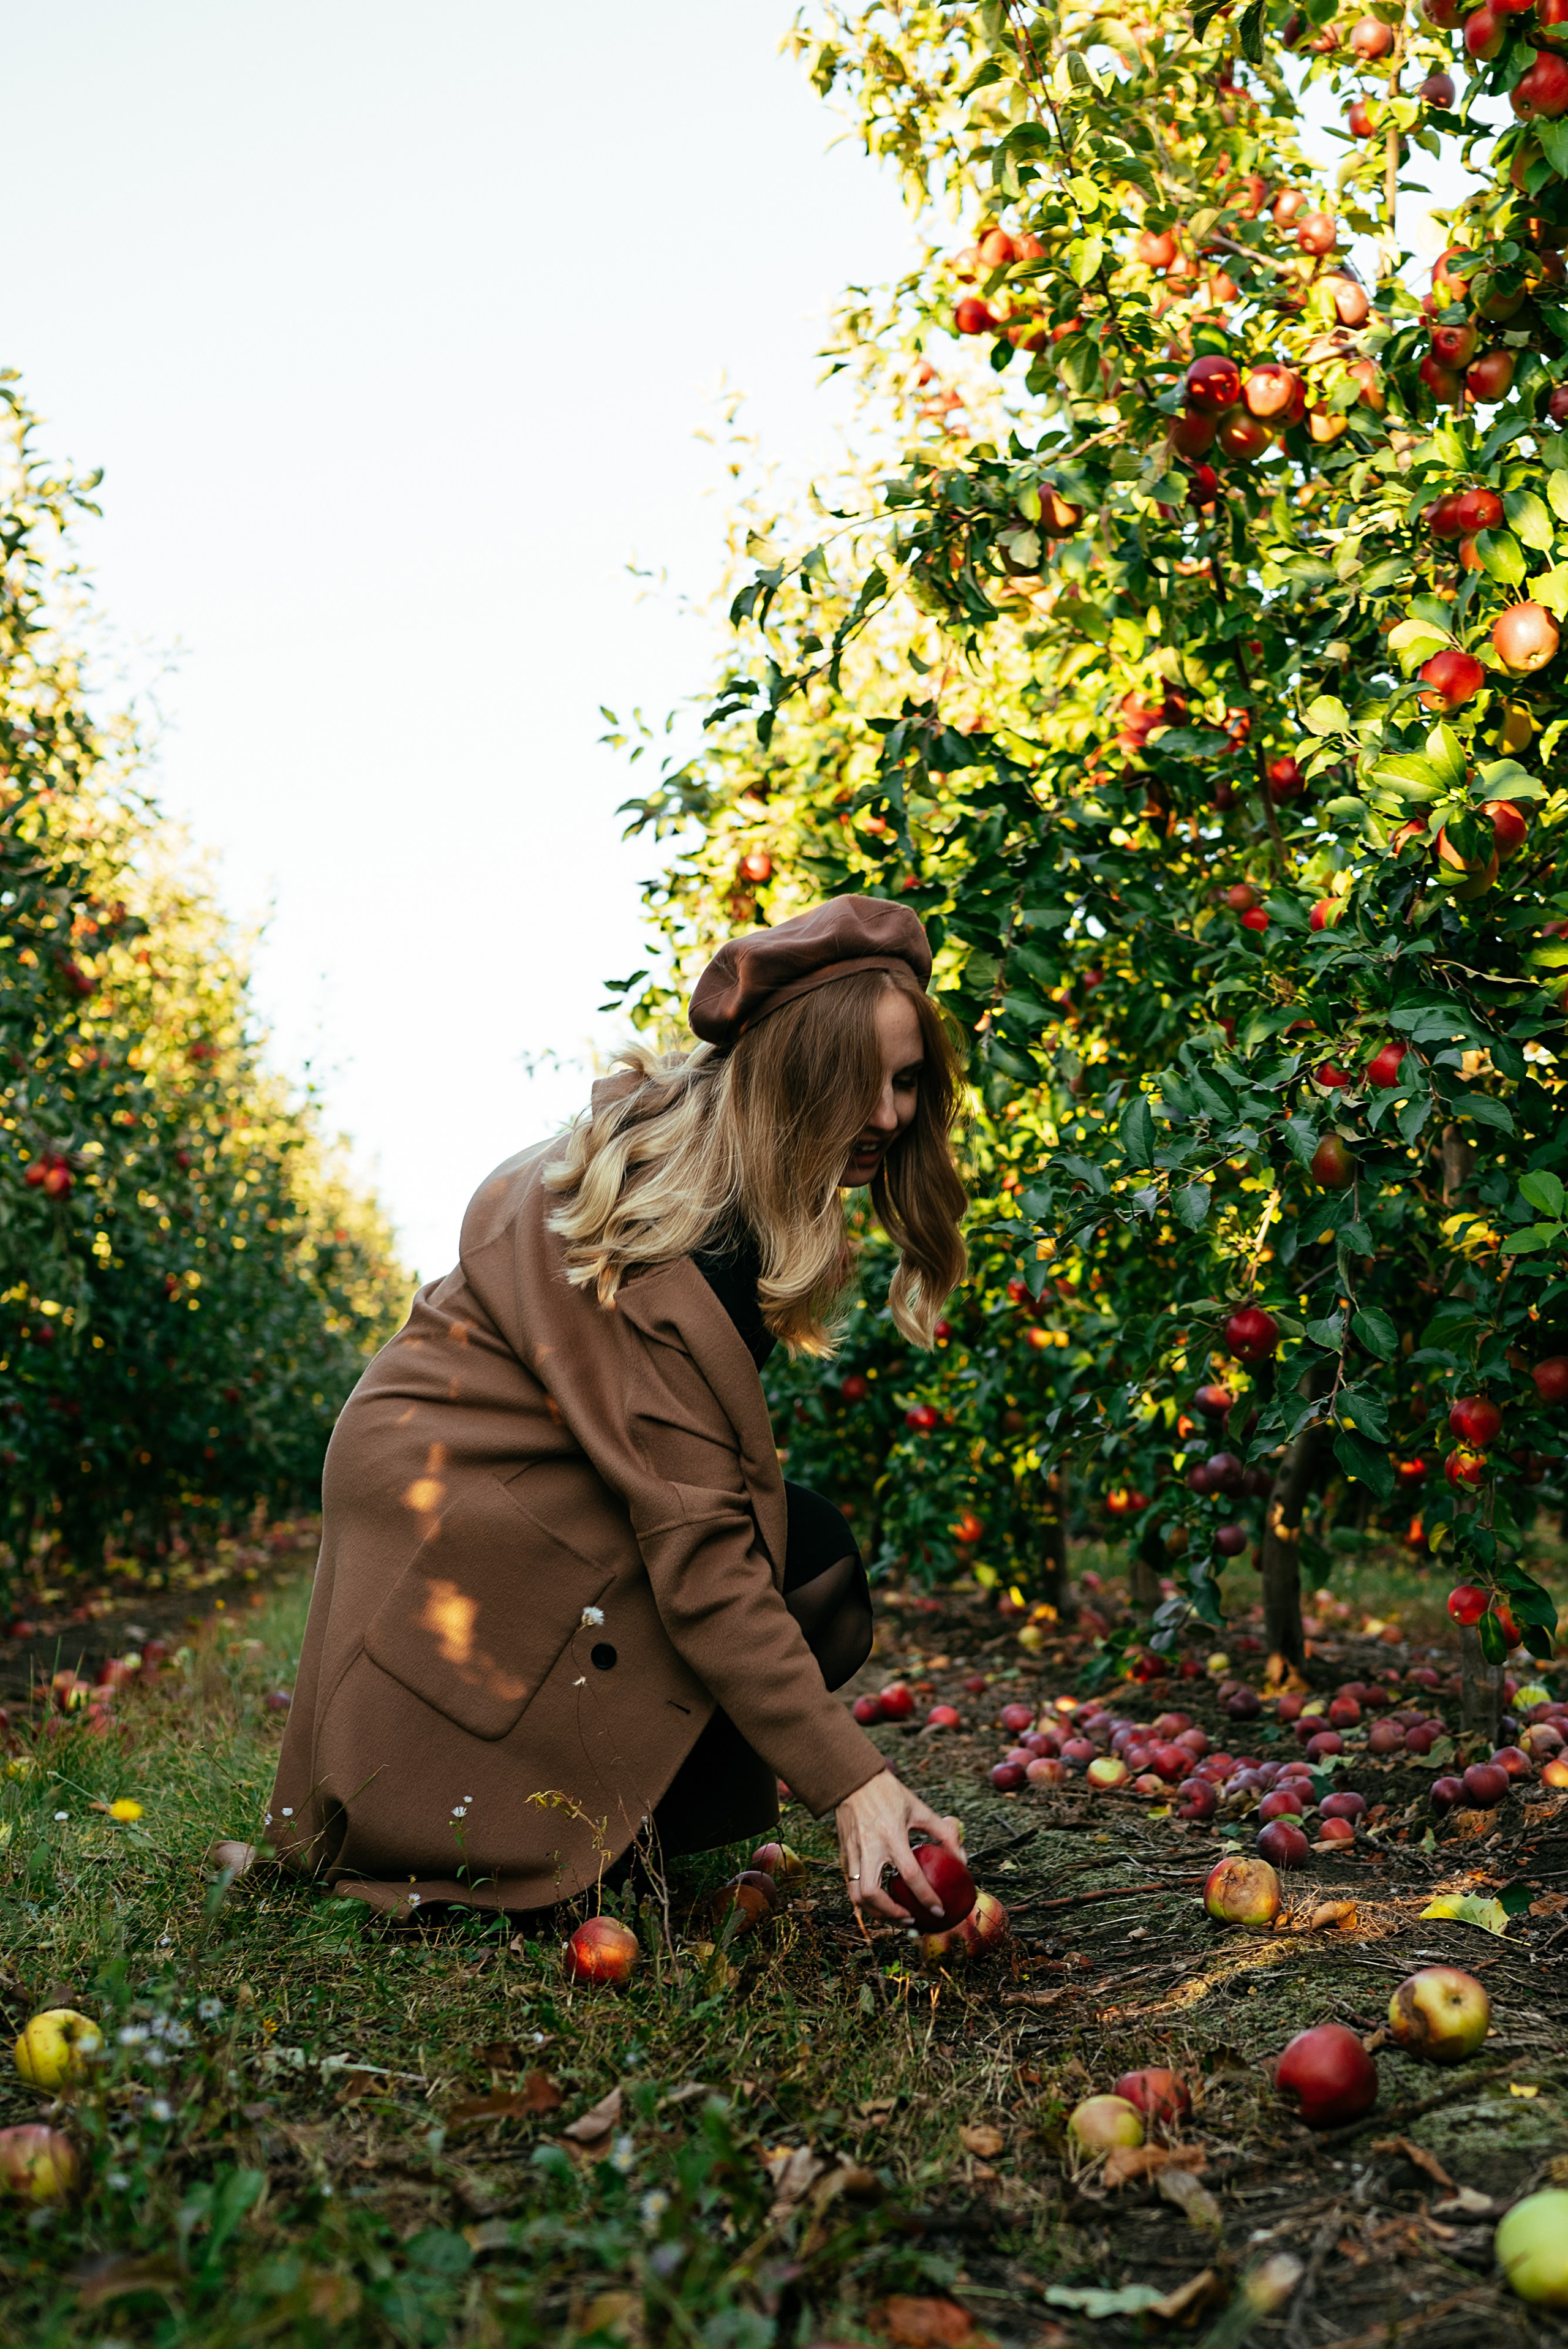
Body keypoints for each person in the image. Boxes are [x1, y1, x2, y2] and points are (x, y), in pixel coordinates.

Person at [268, 896, 970, 1923]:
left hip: (479, 1477)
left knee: (805, 1547)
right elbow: (704, 1560)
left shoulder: (704, 1169)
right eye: (858, 1082)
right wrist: (853, 1783)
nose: (891, 1116)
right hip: (465, 1494)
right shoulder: (672, 1239)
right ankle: (499, 1833)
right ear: (792, 1078)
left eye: (906, 1082)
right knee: (768, 1564)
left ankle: (597, 1819)